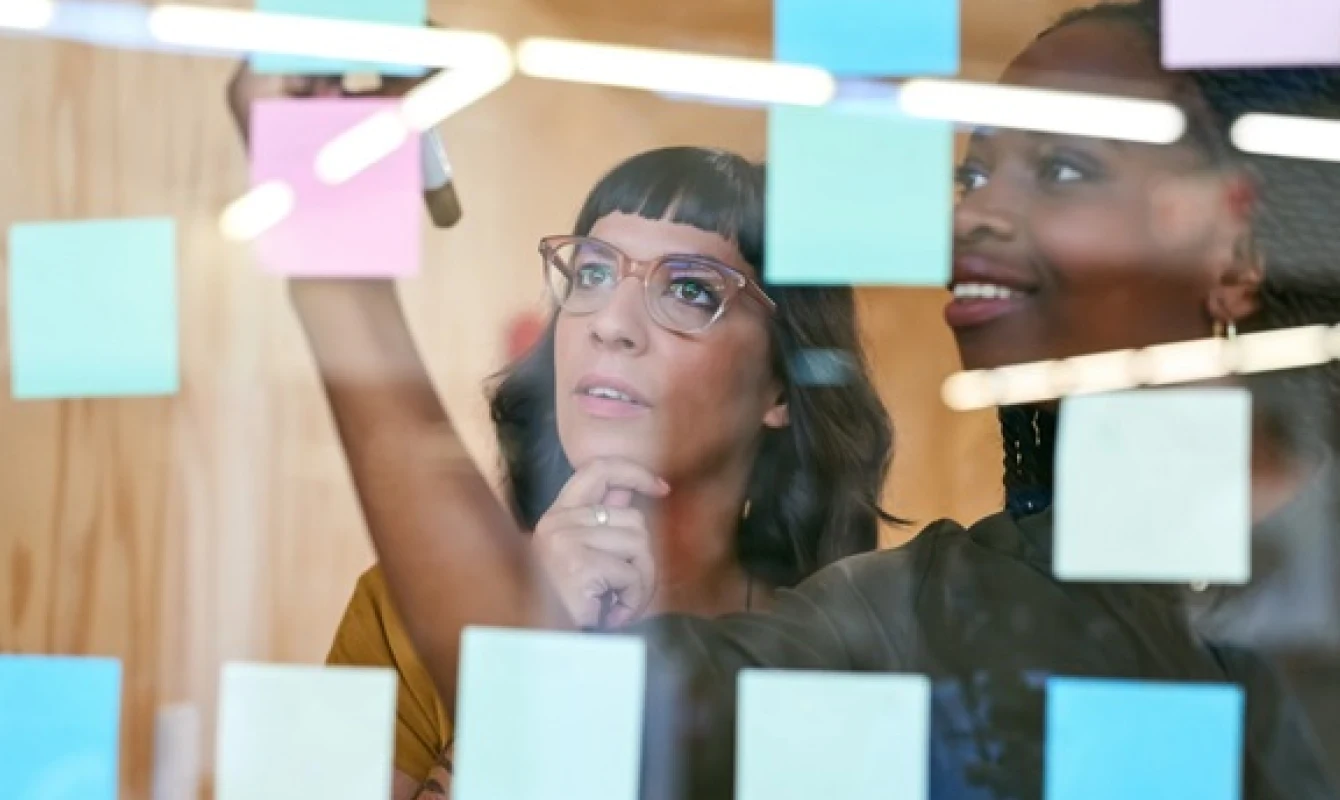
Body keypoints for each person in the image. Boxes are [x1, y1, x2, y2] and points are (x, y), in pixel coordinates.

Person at [298, 0, 1340, 796]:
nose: (974, 217)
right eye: (972, 175)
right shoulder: (936, 606)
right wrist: (326, 227)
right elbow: (566, 700)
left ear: (1232, 248)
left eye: (1059, 168)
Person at [225, 67, 901, 799]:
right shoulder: (400, 608)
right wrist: (530, 638)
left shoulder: (831, 654)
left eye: (689, 289)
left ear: (781, 387)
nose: (611, 324)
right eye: (592, 273)